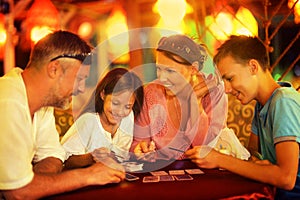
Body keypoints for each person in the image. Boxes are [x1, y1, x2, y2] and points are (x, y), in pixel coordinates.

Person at [0, 31, 125, 200]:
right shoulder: (8, 100)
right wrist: (89, 175)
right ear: (54, 69)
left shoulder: (42, 106)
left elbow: (53, 155)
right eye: (80, 78)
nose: (81, 88)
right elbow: (17, 192)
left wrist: (37, 184)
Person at [185, 35, 300, 199]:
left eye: (230, 78)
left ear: (253, 67)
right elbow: (252, 154)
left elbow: (286, 178)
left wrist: (218, 158)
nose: (226, 89)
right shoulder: (262, 104)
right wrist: (256, 161)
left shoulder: (283, 101)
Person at [131, 34, 228, 161]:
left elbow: (205, 149)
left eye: (170, 71)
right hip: (162, 171)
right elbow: (137, 142)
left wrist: (195, 102)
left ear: (193, 69)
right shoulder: (150, 92)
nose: (162, 78)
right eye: (158, 69)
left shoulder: (214, 92)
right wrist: (140, 148)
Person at [61, 67, 144, 169]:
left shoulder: (128, 117)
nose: (120, 112)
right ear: (103, 95)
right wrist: (91, 157)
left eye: (127, 106)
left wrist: (137, 153)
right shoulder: (89, 120)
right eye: (115, 103)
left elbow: (122, 156)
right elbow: (65, 161)